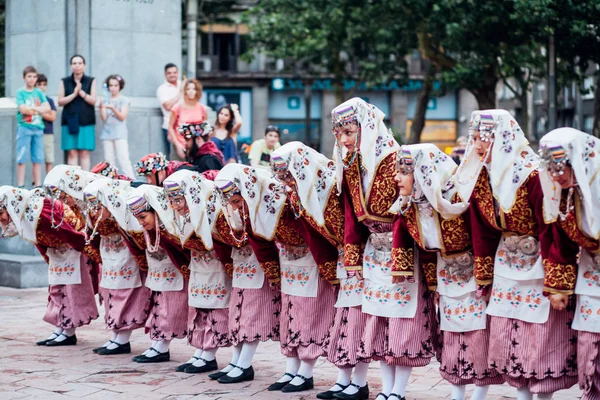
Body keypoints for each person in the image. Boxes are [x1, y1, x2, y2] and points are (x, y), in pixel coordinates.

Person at [452, 110, 578, 400]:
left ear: (502, 139)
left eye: (482, 139)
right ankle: (521, 395)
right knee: (510, 335)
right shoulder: (483, 178)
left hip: (538, 267)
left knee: (540, 338)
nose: (476, 146)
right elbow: (482, 230)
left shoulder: (533, 175)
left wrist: (557, 280)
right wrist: (483, 275)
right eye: (472, 139)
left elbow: (551, 226)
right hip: (506, 266)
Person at [331, 98, 439, 400]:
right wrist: (352, 255)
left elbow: (405, 211)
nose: (344, 140)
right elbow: (351, 212)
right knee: (378, 320)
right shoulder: (351, 164)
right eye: (339, 133)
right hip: (372, 253)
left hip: (400, 251)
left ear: (364, 128)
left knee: (402, 321)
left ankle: (398, 391)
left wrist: (400, 260)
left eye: (349, 132)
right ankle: (386, 390)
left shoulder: (395, 160)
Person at [390, 144, 503, 400]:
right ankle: (457, 392)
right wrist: (433, 284)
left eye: (403, 171)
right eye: (397, 171)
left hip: (474, 270)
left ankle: (480, 394)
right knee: (451, 333)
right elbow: (427, 250)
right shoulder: (410, 205)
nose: (396, 177)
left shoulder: (458, 197)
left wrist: (485, 279)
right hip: (446, 273)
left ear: (422, 172)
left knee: (478, 334)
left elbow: (483, 234)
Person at [270, 142, 370, 398]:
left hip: (361, 255)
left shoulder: (330, 184)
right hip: (341, 256)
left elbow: (353, 221)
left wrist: (352, 256)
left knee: (358, 318)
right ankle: (344, 378)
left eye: (288, 175)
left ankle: (359, 381)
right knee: (345, 319)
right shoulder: (298, 193)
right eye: (281, 177)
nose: (286, 182)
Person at [537, 128, 600, 400]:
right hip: (591, 273)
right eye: (550, 168)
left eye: (560, 167)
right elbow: (560, 241)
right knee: (589, 340)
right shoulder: (564, 196)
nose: (555, 175)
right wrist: (558, 287)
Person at [210, 165, 283, 385]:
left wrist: (273, 272)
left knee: (252, 315)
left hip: (259, 268)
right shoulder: (235, 211)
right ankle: (236, 360)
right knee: (238, 314)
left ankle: (245, 363)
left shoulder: (259, 204)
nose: (233, 206)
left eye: (236, 201)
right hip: (243, 267)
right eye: (230, 202)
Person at [0, 185, 99, 346]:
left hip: (73, 248)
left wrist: (92, 254)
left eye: (1, 214)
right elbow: (38, 241)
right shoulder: (25, 216)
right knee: (57, 289)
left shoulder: (42, 213)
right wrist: (49, 260)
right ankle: (60, 328)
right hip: (57, 252)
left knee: (71, 291)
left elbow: (70, 233)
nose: (1, 219)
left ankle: (69, 331)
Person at [163, 170, 233, 374]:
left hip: (215, 269)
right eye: (172, 200)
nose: (175, 206)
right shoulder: (181, 216)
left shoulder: (211, 209)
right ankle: (199, 352)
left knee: (214, 310)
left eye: (179, 200)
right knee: (199, 310)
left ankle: (209, 354)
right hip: (198, 268)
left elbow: (219, 241)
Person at [83, 178, 151, 355]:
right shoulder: (96, 217)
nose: (94, 211)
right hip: (108, 257)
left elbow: (136, 238)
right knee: (109, 295)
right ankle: (115, 336)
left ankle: (122, 338)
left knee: (124, 296)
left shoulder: (122, 213)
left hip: (125, 259)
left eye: (98, 207)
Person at [126, 184, 190, 363]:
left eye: (143, 217)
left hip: (174, 275)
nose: (141, 222)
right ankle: (157, 344)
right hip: (159, 276)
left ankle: (162, 346)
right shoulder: (151, 230)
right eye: (137, 218)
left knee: (168, 311)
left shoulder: (169, 228)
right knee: (158, 309)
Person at [58, 55, 97, 171]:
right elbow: (60, 101)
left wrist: (82, 93)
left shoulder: (91, 81)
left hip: (86, 121)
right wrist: (74, 94)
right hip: (69, 120)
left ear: (84, 65)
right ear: (71, 66)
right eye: (74, 63)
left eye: (80, 63)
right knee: (72, 152)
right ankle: (73, 180)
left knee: (85, 152)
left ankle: (85, 180)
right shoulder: (64, 81)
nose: (77, 66)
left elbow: (93, 100)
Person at [16, 66, 50, 188]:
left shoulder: (39, 92)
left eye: (34, 76)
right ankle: (20, 185)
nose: (32, 79)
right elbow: (23, 109)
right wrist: (38, 110)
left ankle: (38, 185)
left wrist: (33, 109)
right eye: (29, 76)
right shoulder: (20, 92)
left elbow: (47, 108)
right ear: (24, 78)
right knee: (22, 157)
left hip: (38, 128)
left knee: (38, 158)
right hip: (25, 127)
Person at [99, 74, 135, 179]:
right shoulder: (105, 99)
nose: (113, 88)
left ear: (120, 86)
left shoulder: (124, 100)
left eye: (115, 85)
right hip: (107, 133)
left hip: (120, 133)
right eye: (111, 85)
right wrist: (102, 106)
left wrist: (113, 108)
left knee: (123, 158)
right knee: (109, 160)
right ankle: (110, 181)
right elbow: (104, 118)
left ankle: (131, 181)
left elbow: (122, 116)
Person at [168, 79, 207, 161]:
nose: (191, 91)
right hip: (180, 145)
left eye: (193, 89)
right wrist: (177, 145)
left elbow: (205, 127)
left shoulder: (202, 108)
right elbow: (170, 127)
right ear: (185, 91)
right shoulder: (177, 108)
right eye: (188, 89)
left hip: (196, 148)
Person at [157, 63, 182, 155]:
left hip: (186, 125)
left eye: (174, 72)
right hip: (170, 127)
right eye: (169, 73)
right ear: (165, 74)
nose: (172, 75)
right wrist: (180, 93)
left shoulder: (183, 85)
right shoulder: (162, 89)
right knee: (173, 156)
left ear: (178, 73)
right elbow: (168, 106)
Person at [35, 74, 57, 174]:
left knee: (49, 159)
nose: (42, 87)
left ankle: (49, 182)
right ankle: (37, 183)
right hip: (34, 131)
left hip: (47, 132)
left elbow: (52, 117)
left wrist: (38, 111)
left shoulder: (49, 100)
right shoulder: (32, 100)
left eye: (44, 84)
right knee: (36, 159)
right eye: (39, 84)